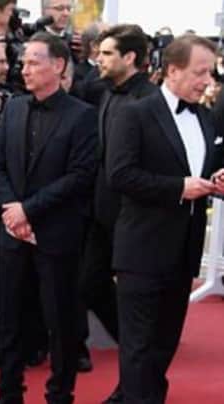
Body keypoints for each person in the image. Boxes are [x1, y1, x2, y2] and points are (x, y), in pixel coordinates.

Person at [107, 34, 224, 404]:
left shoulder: (205, 117)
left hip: (184, 251)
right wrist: (178, 187)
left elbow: (201, 171)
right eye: (200, 72)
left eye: (211, 72)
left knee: (163, 346)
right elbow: (120, 175)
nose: (207, 81)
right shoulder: (136, 114)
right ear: (172, 70)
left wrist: (216, 180)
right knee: (138, 348)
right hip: (141, 249)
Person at [0, 32, 97, 404]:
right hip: (13, 232)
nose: (25, 69)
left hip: (56, 234)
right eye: (24, 62)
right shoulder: (14, 108)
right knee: (10, 318)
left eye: (34, 62)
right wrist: (12, 209)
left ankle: (60, 394)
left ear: (59, 65)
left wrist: (28, 210)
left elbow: (80, 176)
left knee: (60, 321)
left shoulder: (83, 116)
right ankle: (8, 392)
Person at [79, 24, 157, 404]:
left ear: (130, 57)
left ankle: (135, 383)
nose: (99, 59)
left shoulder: (151, 101)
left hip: (135, 218)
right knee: (89, 284)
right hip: (102, 213)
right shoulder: (105, 91)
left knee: (135, 307)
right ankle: (140, 361)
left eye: (107, 53)